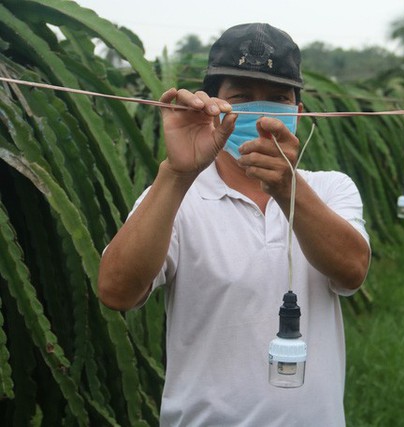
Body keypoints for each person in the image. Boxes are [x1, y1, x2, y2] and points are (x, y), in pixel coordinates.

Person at [97, 23, 371, 426]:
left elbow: (352, 270)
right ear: (212, 105)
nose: (261, 113)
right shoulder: (176, 198)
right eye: (242, 97)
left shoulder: (330, 189)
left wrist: (288, 188)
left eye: (278, 98)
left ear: (297, 113)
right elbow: (116, 291)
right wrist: (176, 173)